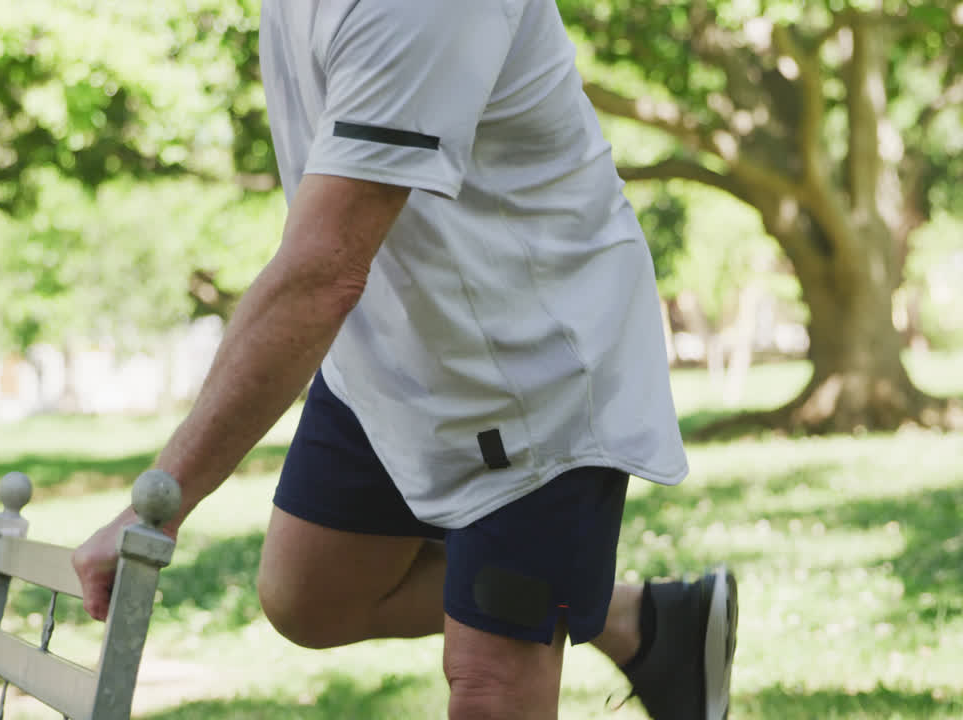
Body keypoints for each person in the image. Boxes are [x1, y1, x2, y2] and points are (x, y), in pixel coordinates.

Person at [72, 0, 738, 717]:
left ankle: (547, 595)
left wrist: (159, 504)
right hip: (393, 344)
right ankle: (642, 621)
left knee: (488, 680)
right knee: (309, 596)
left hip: (527, 367)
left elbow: (322, 271)